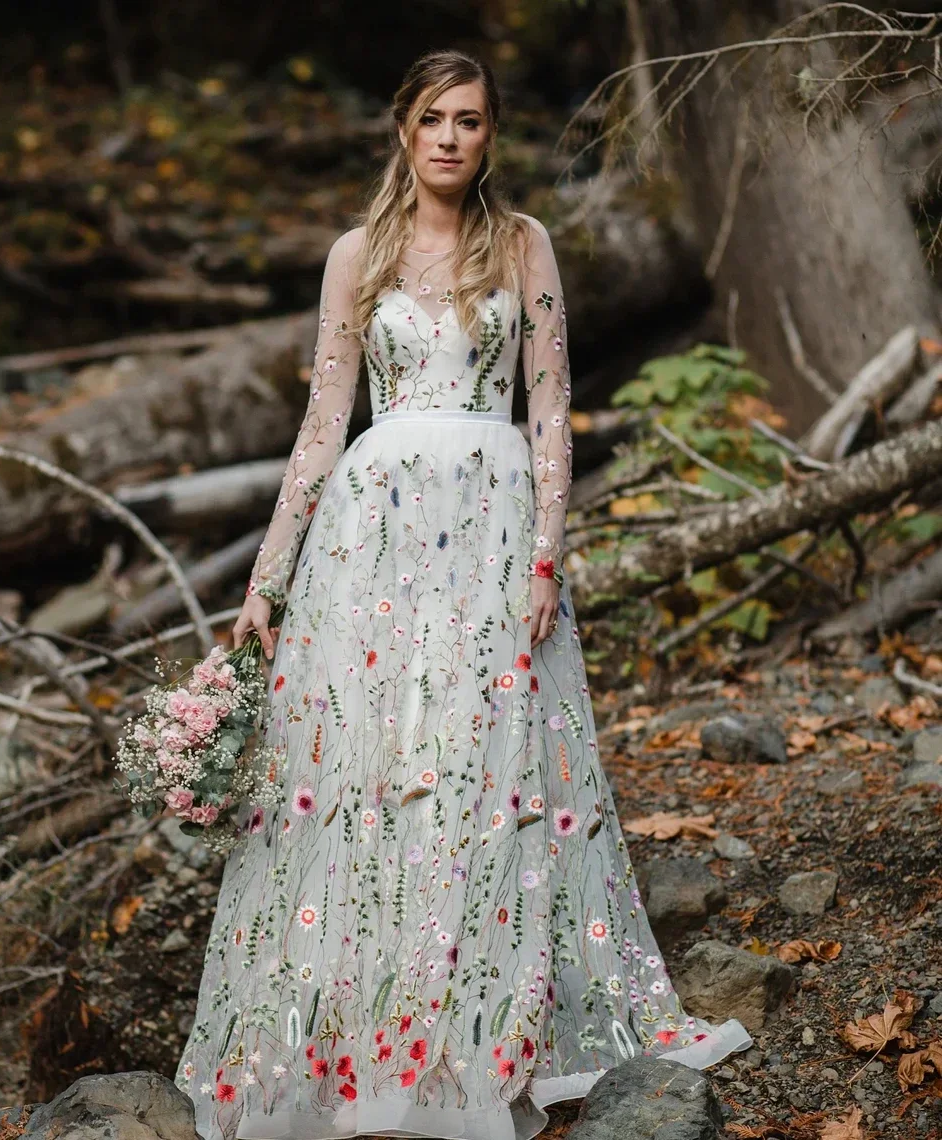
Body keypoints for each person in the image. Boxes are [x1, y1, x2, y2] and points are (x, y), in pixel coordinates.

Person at [174, 47, 751, 1140]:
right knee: (373, 769)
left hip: (489, 533)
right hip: (372, 543)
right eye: (434, 117)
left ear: (491, 137)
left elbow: (550, 411)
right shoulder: (359, 254)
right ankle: (366, 1042)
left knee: (488, 766)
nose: (450, 136)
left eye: (471, 120)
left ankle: (481, 1031)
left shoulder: (524, 244)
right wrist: (267, 582)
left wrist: (545, 554)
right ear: (404, 129)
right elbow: (322, 421)